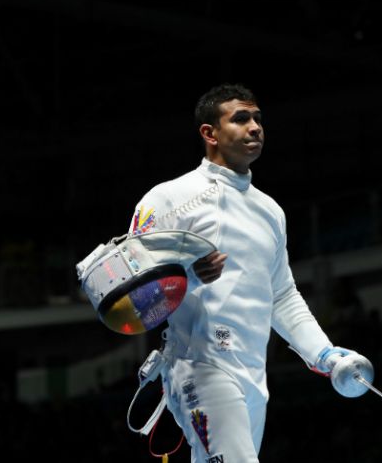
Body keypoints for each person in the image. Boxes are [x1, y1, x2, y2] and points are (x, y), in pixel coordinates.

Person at [127, 84, 359, 462]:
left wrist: (324, 354)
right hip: (200, 366)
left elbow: (282, 295)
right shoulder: (168, 198)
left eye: (257, 119)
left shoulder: (270, 212)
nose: (255, 127)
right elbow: (131, 291)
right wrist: (187, 276)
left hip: (253, 374)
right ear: (210, 133)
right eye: (240, 119)